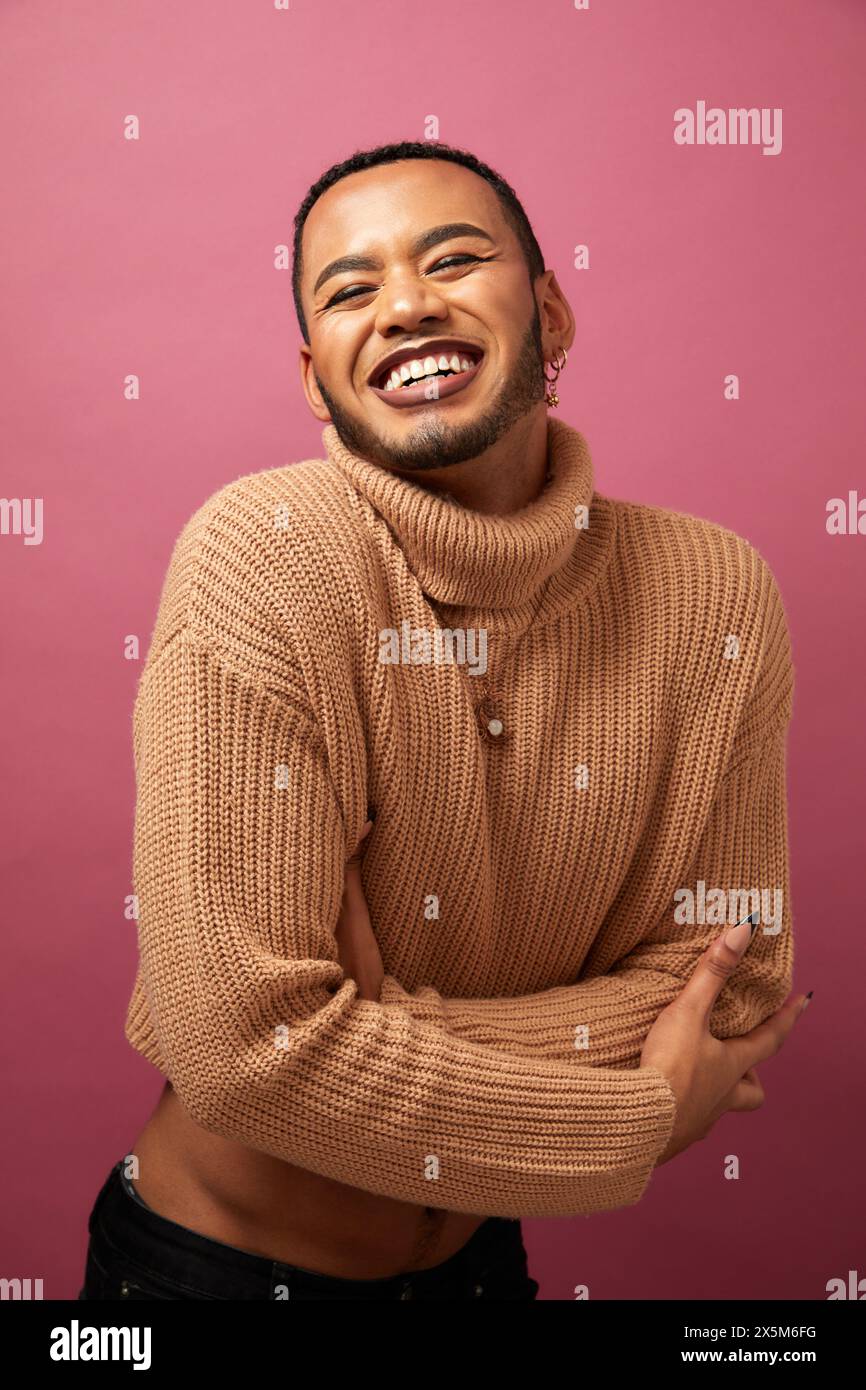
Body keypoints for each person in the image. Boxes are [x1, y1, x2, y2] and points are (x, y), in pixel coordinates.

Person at [79, 140, 809, 1302]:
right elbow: (240, 1051)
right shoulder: (263, 557)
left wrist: (371, 1030)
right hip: (209, 1276)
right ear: (316, 374)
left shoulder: (712, 590)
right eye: (349, 290)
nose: (407, 304)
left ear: (550, 313)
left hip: (479, 1270)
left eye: (454, 259)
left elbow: (733, 977)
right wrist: (639, 1113)